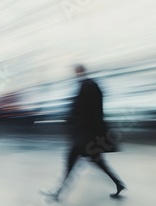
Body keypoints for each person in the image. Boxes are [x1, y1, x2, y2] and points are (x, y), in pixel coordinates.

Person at [43, 65, 126, 201]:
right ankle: (118, 183)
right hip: (88, 135)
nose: (75, 74)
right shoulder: (89, 85)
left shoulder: (87, 86)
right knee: (98, 162)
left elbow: (86, 111)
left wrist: (74, 123)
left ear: (81, 71)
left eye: (77, 71)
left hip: (85, 136)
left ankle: (57, 193)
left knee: (70, 163)